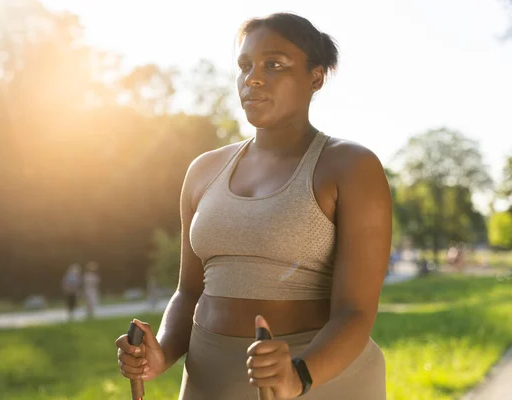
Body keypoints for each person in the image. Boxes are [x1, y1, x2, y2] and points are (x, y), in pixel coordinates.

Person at [116, 12, 392, 399]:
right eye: (245, 66)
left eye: (274, 64)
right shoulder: (203, 170)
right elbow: (189, 292)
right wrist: (160, 354)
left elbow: (355, 313)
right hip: (207, 381)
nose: (253, 78)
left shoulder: (350, 166)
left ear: (316, 77)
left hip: (317, 380)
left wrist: (298, 376)